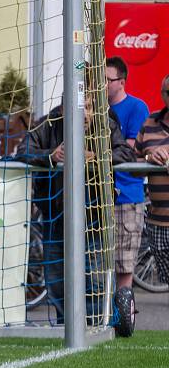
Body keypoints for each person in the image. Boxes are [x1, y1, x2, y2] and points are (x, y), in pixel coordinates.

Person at [13, 92, 135, 325]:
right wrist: (51, 155)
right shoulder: (48, 124)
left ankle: (96, 326)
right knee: (57, 280)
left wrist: (97, 157)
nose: (85, 114)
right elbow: (24, 150)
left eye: (89, 107)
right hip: (56, 216)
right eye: (80, 107)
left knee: (95, 281)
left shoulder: (106, 123)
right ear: (63, 108)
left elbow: (127, 152)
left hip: (94, 217)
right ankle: (64, 325)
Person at [106, 56, 150, 337]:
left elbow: (130, 148)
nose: (103, 84)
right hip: (99, 197)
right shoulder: (94, 109)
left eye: (108, 79)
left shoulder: (136, 107)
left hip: (126, 196)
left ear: (121, 81)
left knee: (124, 265)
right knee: (99, 264)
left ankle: (124, 322)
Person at [136, 74, 169, 301]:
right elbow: (131, 163)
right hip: (158, 222)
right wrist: (149, 157)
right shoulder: (150, 123)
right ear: (162, 94)